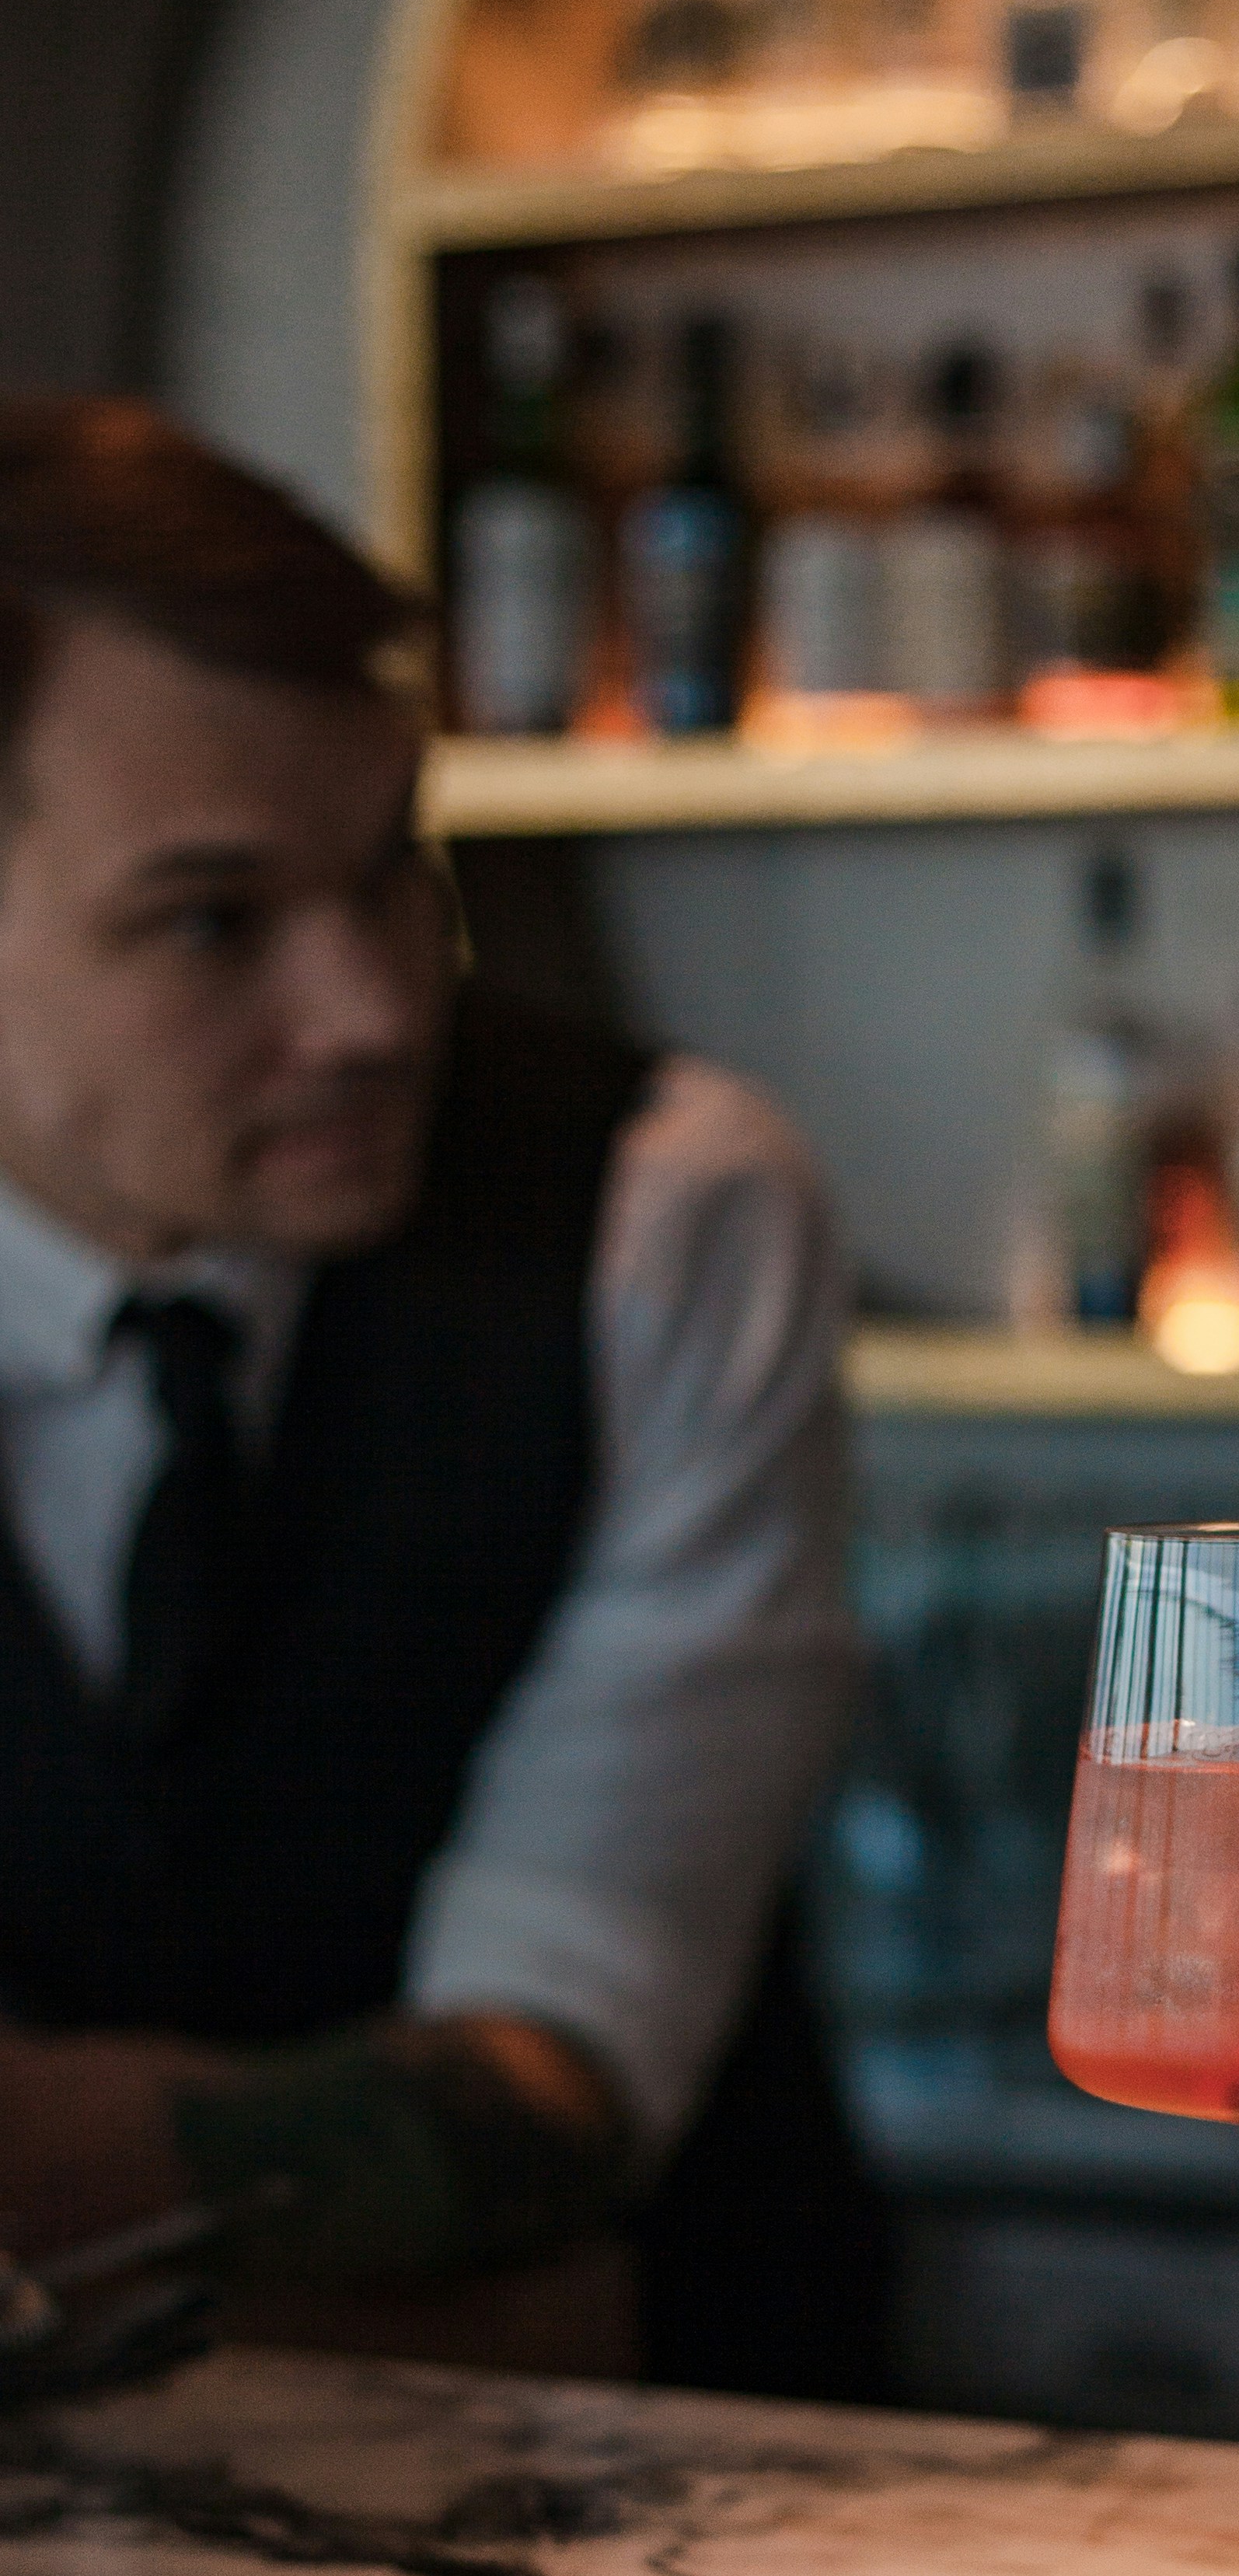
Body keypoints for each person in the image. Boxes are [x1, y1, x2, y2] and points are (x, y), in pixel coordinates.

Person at [0, 396, 881, 2390]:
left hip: (670, 2512)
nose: (378, 1008)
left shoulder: (659, 1212)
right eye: (213, 920)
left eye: (395, 869)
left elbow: (553, 2086)